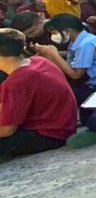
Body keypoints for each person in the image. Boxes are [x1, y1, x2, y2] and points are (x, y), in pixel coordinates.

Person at [0, 28, 77, 158]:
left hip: (49, 135)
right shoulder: (41, 61)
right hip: (63, 124)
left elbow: (7, 130)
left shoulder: (16, 82)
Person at [34, 14, 96, 102]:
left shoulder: (86, 44)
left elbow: (75, 75)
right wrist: (49, 53)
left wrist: (54, 54)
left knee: (55, 94)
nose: (53, 36)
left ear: (68, 30)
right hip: (94, 81)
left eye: (54, 32)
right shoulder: (81, 39)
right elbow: (72, 55)